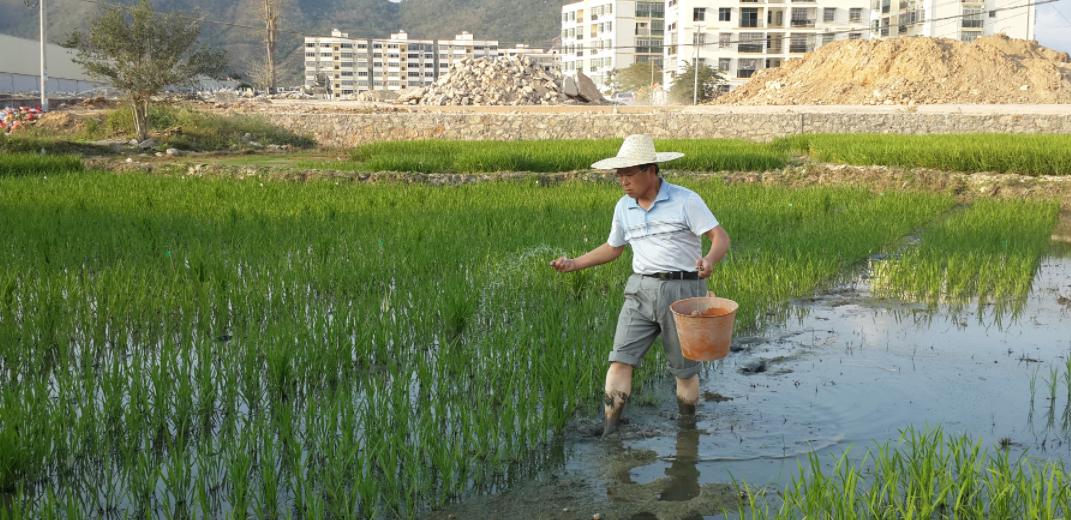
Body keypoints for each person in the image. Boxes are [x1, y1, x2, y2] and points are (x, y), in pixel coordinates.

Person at [550, 134, 730, 436]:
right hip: (640, 290)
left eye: (629, 173)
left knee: (684, 371)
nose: (623, 181)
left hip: (683, 291)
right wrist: (575, 263)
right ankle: (610, 429)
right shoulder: (624, 207)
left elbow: (719, 236)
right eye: (619, 174)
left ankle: (687, 430)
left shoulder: (686, 200)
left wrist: (710, 260)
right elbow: (614, 248)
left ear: (651, 170)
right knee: (620, 359)